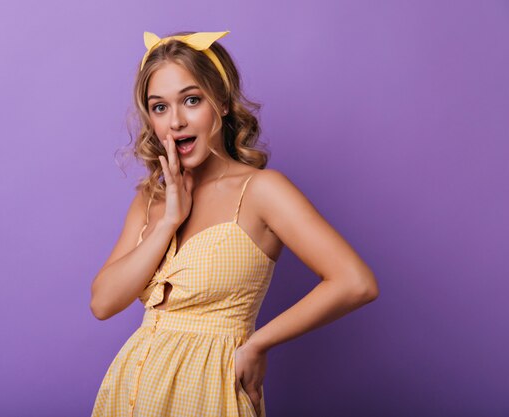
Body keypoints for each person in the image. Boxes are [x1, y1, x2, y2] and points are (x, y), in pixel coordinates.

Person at [89, 30, 379, 417]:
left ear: (222, 103)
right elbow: (103, 303)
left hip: (212, 392)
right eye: (159, 107)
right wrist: (168, 221)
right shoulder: (151, 199)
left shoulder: (262, 191)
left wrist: (259, 343)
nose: (175, 121)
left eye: (191, 100)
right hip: (132, 390)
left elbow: (355, 282)